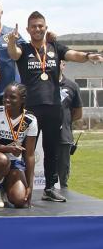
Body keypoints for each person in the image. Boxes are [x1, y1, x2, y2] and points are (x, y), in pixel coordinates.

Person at [7, 11, 102, 202]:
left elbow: (73, 54)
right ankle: (22, 186)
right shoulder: (23, 48)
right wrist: (11, 40)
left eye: (40, 26)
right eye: (33, 26)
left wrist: (90, 55)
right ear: (28, 29)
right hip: (30, 109)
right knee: (26, 148)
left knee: (52, 149)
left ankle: (50, 188)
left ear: (45, 27)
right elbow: (13, 53)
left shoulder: (55, 47)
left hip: (53, 107)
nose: (37, 29)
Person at [0, 83, 37, 208]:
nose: (7, 100)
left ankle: (4, 185)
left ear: (22, 99)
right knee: (2, 160)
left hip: (14, 162)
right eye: (5, 96)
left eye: (12, 97)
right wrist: (10, 149)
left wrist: (30, 186)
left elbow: (29, 155)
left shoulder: (30, 119)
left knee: (20, 201)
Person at [57, 60, 82, 189]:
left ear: (63, 65)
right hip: (43, 136)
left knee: (62, 177)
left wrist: (64, 121)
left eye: (59, 62)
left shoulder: (72, 86)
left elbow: (77, 112)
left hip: (64, 137)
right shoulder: (41, 84)